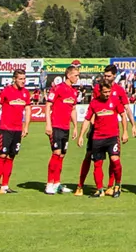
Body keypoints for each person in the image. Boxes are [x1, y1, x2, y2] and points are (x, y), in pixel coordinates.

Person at [77, 81, 123, 198]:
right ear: (100, 92)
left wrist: (126, 131)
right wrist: (81, 135)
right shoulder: (94, 103)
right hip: (98, 137)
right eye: (105, 92)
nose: (107, 94)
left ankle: (117, 185)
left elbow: (123, 115)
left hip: (112, 137)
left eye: (109, 91)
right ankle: (99, 189)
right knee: (98, 164)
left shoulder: (115, 101)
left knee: (115, 160)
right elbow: (87, 119)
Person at [0, 68, 31, 196]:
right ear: (14, 79)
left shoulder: (26, 93)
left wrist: (26, 127)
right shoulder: (6, 91)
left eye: (24, 79)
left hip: (17, 130)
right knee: (2, 156)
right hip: (5, 129)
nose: (23, 81)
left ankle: (5, 186)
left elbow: (28, 110)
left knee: (11, 157)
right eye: (20, 79)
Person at [44, 65, 79, 195]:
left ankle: (57, 183)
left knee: (62, 155)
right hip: (56, 126)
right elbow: (48, 106)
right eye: (76, 75)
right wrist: (48, 124)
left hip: (66, 127)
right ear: (69, 75)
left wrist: (75, 126)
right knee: (56, 153)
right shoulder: (58, 89)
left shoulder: (74, 92)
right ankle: (49, 184)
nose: (77, 78)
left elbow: (73, 109)